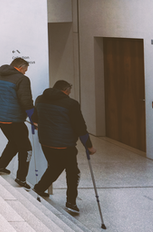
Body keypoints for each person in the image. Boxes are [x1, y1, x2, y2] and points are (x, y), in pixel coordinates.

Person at [32, 80, 97, 214]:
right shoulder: (71, 104)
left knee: (55, 166)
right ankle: (71, 202)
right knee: (73, 172)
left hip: (45, 142)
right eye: (69, 91)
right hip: (64, 145)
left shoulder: (40, 99)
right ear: (66, 90)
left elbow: (35, 118)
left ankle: (39, 188)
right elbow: (80, 127)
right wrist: (89, 146)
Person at [0, 58, 35, 189]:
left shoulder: (0, 75)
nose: (25, 73)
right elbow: (26, 101)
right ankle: (21, 178)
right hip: (13, 118)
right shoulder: (22, 79)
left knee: (14, 142)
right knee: (26, 149)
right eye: (25, 70)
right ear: (20, 68)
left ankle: (0, 166)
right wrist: (34, 119)